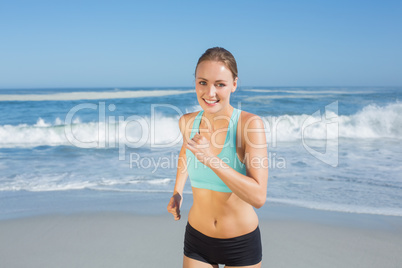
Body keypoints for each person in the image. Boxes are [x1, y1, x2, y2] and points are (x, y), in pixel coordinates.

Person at [167, 47, 268, 268]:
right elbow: (186, 152)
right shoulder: (187, 122)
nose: (210, 93)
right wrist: (177, 191)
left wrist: (211, 159)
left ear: (234, 84)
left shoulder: (248, 125)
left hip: (240, 245)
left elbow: (259, 197)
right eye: (202, 82)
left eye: (220, 84)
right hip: (197, 240)